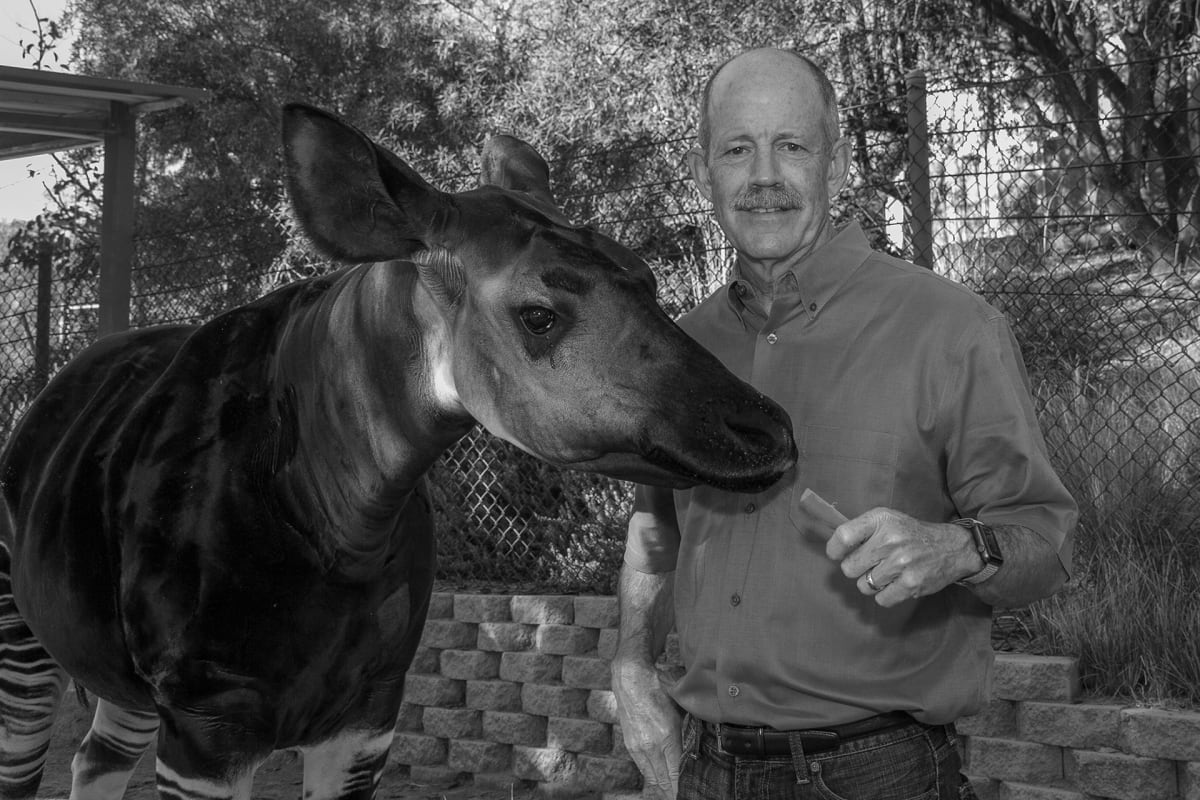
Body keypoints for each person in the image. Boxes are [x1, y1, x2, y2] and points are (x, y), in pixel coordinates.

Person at [610, 47, 1078, 800]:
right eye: (737, 149)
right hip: (705, 769)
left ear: (840, 162)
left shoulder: (950, 330)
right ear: (705, 173)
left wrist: (955, 548)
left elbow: (1046, 545)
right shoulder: (681, 351)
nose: (764, 176)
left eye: (792, 145)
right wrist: (632, 667)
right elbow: (656, 530)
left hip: (879, 773)